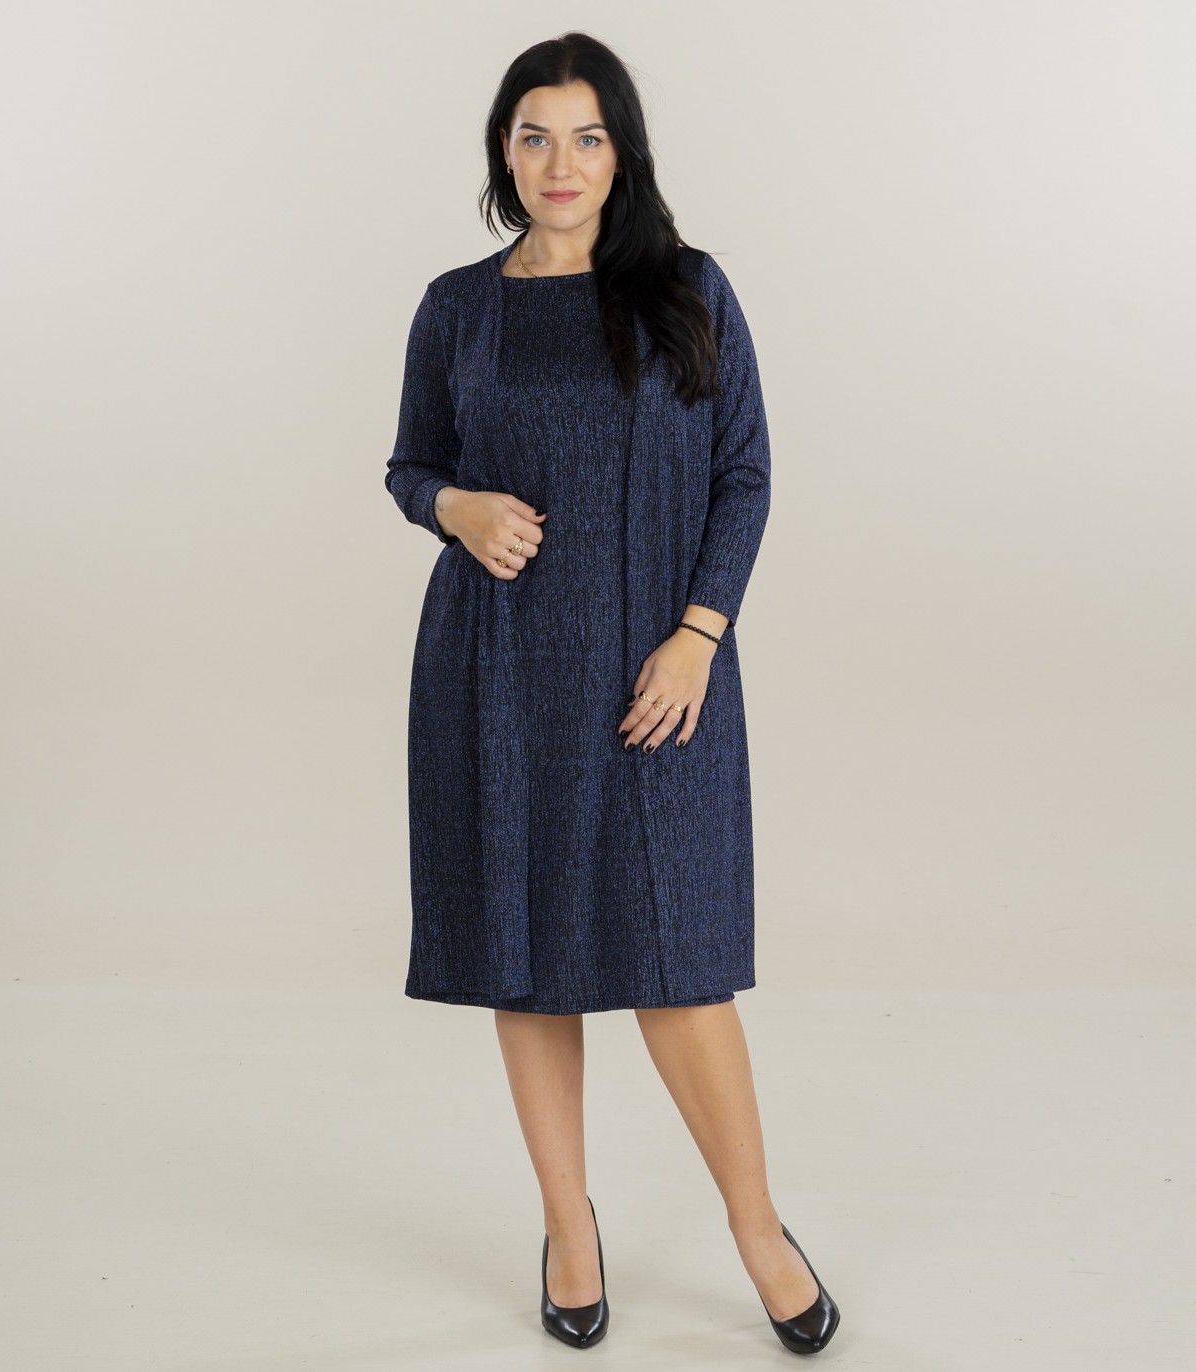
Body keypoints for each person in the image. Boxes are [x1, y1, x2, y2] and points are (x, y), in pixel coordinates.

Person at [384, 30, 840, 1357]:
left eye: (586, 137)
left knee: (677, 965)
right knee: (527, 958)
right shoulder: (457, 308)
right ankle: (568, 1226)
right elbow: (411, 464)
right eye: (535, 136)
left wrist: (699, 634)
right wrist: (456, 506)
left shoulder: (687, 290)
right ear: (504, 150)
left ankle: (758, 1230)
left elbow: (745, 472)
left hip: (659, 678)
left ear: (622, 151)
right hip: (498, 671)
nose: (560, 163)